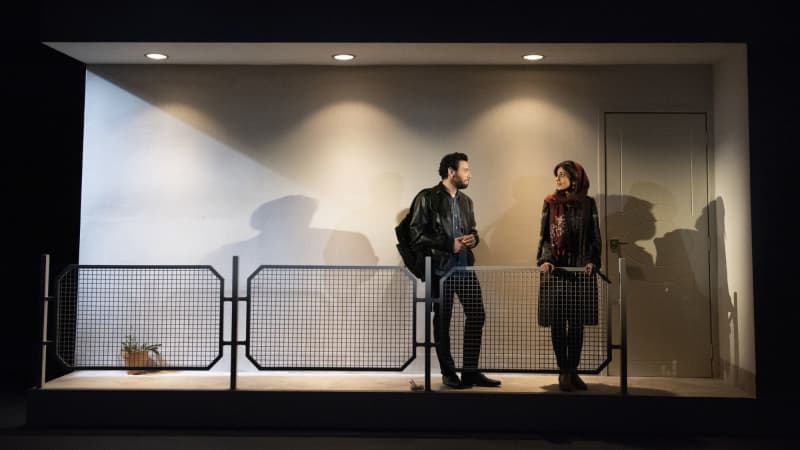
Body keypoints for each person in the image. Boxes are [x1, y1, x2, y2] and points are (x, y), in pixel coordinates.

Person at [408, 152, 501, 389]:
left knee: (477, 315)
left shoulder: (466, 201)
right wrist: (447, 245)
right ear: (452, 172)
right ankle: (449, 374)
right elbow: (416, 236)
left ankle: (470, 372)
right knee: (442, 321)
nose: (470, 174)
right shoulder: (427, 198)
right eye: (466, 170)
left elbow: (473, 230)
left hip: (464, 268)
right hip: (440, 271)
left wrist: (474, 239)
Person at [536, 160, 601, 392]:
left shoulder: (588, 204)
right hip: (556, 272)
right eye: (556, 175)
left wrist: (592, 261)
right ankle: (563, 371)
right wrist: (545, 259)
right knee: (557, 323)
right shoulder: (550, 203)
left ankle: (573, 371)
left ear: (575, 178)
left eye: (562, 175)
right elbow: (544, 235)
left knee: (576, 324)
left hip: (580, 272)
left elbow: (594, 237)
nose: (557, 179)